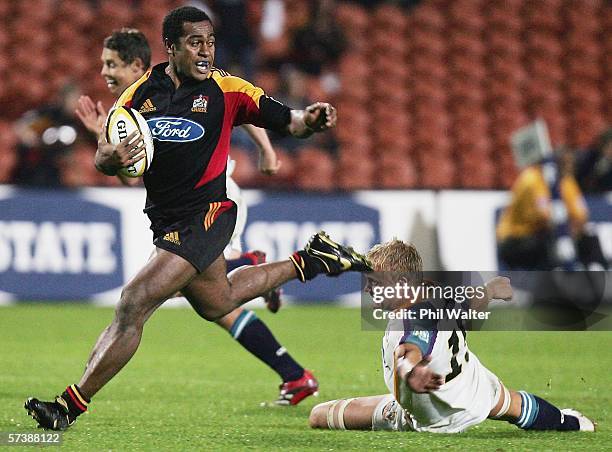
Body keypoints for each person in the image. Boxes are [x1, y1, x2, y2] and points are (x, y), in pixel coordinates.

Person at [25, 6, 372, 431]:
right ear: (171, 47)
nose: (206, 51)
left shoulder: (229, 90)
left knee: (135, 301)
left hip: (208, 214)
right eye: (195, 43)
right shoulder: (138, 96)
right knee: (219, 301)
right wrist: (108, 155)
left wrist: (310, 121)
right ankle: (312, 260)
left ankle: (67, 406)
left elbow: (290, 121)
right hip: (166, 220)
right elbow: (105, 158)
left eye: (209, 42)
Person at [75, 28, 320, 405]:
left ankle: (248, 266)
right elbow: (131, 177)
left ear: (138, 64)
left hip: (211, 202)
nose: (104, 72)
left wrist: (267, 150)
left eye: (112, 64)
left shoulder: (195, 85)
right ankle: (294, 372)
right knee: (213, 303)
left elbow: (242, 107)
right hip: (178, 213)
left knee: (161, 294)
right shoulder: (131, 107)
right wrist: (104, 144)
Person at [309, 239, 596, 433]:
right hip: (471, 389)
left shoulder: (410, 318)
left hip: (427, 414)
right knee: (512, 404)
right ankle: (572, 422)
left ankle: (567, 421)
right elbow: (468, 305)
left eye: (374, 282)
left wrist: (412, 373)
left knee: (319, 415)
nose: (367, 289)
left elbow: (408, 351)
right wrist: (491, 290)